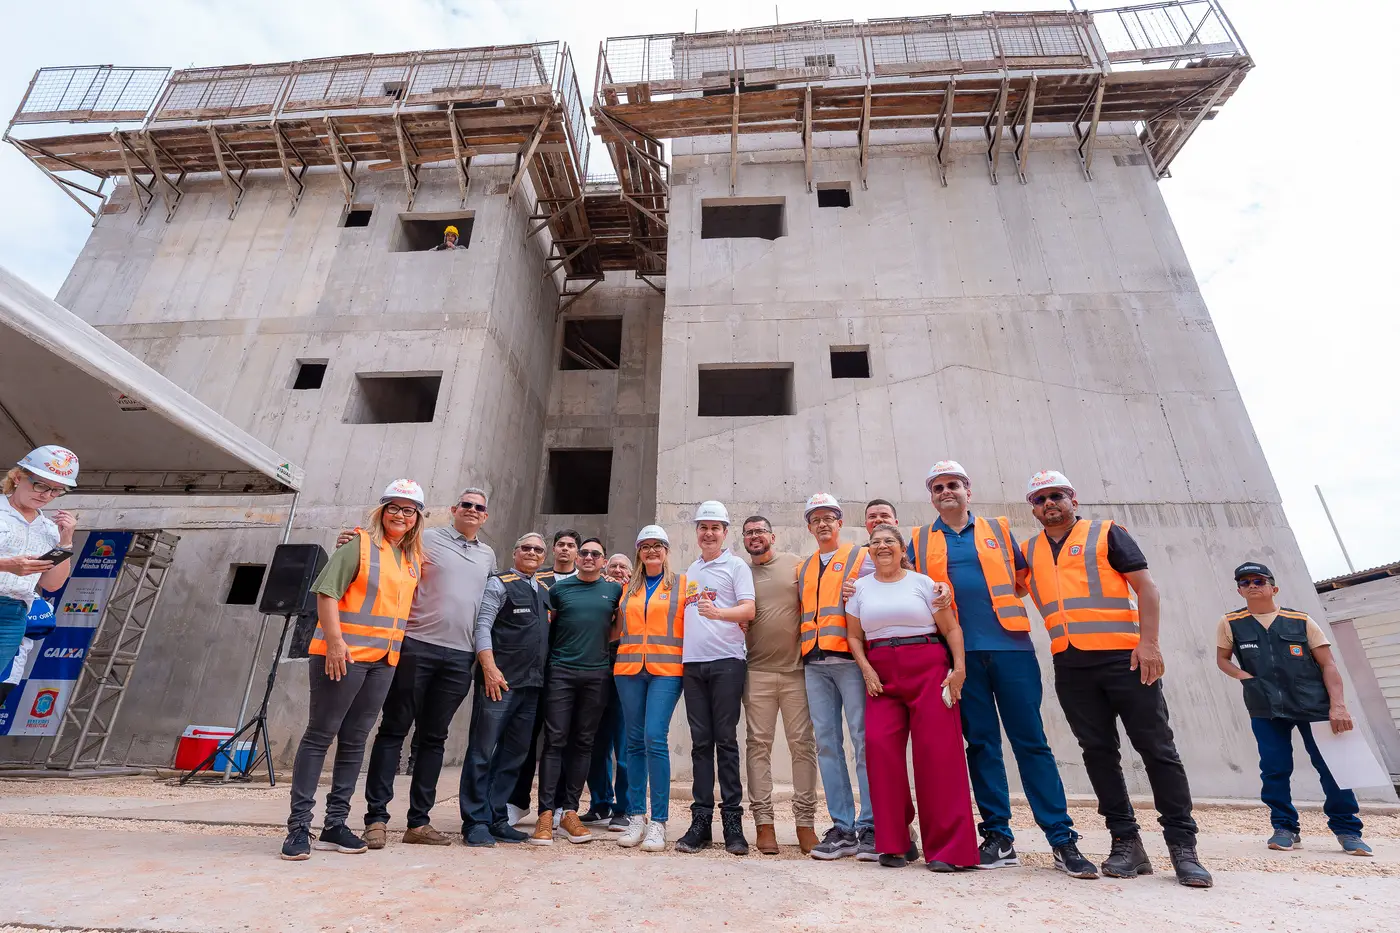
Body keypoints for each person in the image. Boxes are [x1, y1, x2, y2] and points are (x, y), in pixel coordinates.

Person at [905, 460, 1095, 878]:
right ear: (931, 496)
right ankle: (998, 837)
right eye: (938, 487)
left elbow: (1026, 577)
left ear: (968, 490)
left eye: (953, 484)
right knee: (982, 744)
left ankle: (1061, 839)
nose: (946, 491)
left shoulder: (998, 531)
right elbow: (903, 587)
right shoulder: (918, 541)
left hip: (1011, 650)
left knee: (1031, 743)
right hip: (959, 658)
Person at [1021, 470, 1211, 887]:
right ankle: (1126, 842)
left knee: (1157, 749)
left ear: (1073, 498)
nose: (1048, 503)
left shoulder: (1106, 533)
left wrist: (1150, 643)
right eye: (1039, 499)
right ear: (1032, 509)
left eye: (1056, 495)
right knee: (1098, 753)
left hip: (1125, 658)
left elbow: (1147, 588)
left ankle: (1183, 847)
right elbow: (1000, 586)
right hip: (1070, 664)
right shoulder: (1029, 549)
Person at [282, 479, 425, 861]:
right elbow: (326, 592)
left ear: (416, 518)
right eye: (393, 507)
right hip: (343, 655)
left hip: (383, 662)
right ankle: (299, 827)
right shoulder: (359, 544)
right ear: (382, 510)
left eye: (408, 510)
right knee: (320, 735)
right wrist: (333, 642)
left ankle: (334, 825)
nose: (400, 514)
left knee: (355, 740)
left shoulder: (410, 558)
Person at [352, 487, 495, 849]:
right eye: (466, 504)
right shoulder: (426, 539)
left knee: (434, 738)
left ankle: (419, 822)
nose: (472, 510)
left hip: (459, 656)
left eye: (479, 507)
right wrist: (352, 539)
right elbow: (384, 554)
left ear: (485, 516)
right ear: (453, 509)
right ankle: (377, 819)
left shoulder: (488, 555)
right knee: (394, 730)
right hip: (416, 647)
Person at [1216, 561, 1372, 856]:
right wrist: (1245, 678)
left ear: (1273, 587)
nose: (1252, 585)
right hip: (1265, 708)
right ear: (1239, 589)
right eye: (1245, 582)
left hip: (1313, 705)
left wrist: (1338, 706)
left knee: (1332, 769)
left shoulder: (1301, 620)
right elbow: (1222, 659)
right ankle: (1284, 827)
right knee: (1274, 769)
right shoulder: (1230, 622)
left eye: (1258, 580)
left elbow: (1328, 664)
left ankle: (1348, 830)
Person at [846, 522, 978, 870]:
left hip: (928, 669)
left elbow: (950, 628)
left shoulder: (923, 584)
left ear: (903, 549)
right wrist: (866, 669)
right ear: (869, 552)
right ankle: (895, 842)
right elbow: (855, 637)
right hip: (881, 676)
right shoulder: (859, 589)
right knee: (879, 749)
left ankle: (949, 849)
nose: (882, 546)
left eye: (889, 541)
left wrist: (959, 669)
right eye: (875, 543)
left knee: (938, 755)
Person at [529, 537, 623, 846]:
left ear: (603, 560)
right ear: (577, 557)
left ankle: (570, 811)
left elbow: (616, 630)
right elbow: (548, 627)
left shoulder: (613, 590)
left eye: (595, 554)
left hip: (596, 675)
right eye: (584, 552)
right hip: (561, 673)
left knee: (584, 743)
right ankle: (546, 814)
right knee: (554, 741)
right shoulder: (559, 590)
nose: (588, 557)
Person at [459, 533, 552, 846]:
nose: (532, 552)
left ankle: (497, 816)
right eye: (525, 547)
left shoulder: (541, 589)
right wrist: (489, 668)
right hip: (499, 682)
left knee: (514, 755)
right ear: (515, 552)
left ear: (543, 556)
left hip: (531, 686)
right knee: (482, 752)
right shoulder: (500, 582)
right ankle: (474, 822)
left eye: (538, 549)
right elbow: (482, 625)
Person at [797, 493, 874, 860]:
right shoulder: (804, 567)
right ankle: (843, 826)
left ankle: (871, 824)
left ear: (840, 523)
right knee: (827, 744)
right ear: (809, 527)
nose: (823, 524)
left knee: (862, 742)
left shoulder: (863, 557)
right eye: (816, 519)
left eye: (829, 517)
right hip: (814, 663)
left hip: (850, 661)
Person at [676, 500, 755, 856]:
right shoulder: (690, 570)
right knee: (699, 743)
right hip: (693, 664)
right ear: (697, 532)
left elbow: (749, 609)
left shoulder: (735, 565)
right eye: (703, 527)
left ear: (725, 532)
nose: (708, 533)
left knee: (725, 741)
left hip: (726, 662)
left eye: (715, 528)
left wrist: (720, 613)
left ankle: (733, 824)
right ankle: (701, 822)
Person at [740, 514, 819, 855]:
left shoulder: (796, 566)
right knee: (758, 745)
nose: (755, 536)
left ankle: (805, 824)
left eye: (760, 531)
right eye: (748, 533)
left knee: (803, 746)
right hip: (755, 672)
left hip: (796, 672)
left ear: (773, 536)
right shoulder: (740, 573)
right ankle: (764, 824)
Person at [613, 525, 687, 852]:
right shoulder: (626, 588)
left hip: (667, 671)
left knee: (654, 737)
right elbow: (614, 628)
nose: (652, 551)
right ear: (638, 552)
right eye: (646, 546)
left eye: (658, 546)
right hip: (628, 669)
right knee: (633, 741)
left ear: (666, 551)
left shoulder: (682, 585)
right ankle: (636, 816)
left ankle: (659, 821)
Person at [508, 528, 580, 826]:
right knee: (525, 736)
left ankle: (561, 805)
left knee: (562, 739)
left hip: (568, 672)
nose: (565, 549)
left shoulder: (584, 582)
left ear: (578, 552)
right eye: (560, 545)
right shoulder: (539, 580)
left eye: (571, 545)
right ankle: (517, 800)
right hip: (536, 669)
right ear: (553, 550)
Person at [1, 446, 79, 675]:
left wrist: (65, 542)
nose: (46, 494)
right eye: (41, 485)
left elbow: (51, 584)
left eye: (56, 490)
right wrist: (7, 565)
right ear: (17, 477)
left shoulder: (49, 529)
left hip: (13, 613)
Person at [582, 552, 635, 830]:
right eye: (613, 565)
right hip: (595, 673)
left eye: (623, 566)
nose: (617, 570)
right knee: (595, 744)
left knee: (625, 747)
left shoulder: (635, 595)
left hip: (627, 675)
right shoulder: (598, 593)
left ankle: (624, 809)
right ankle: (600, 803)